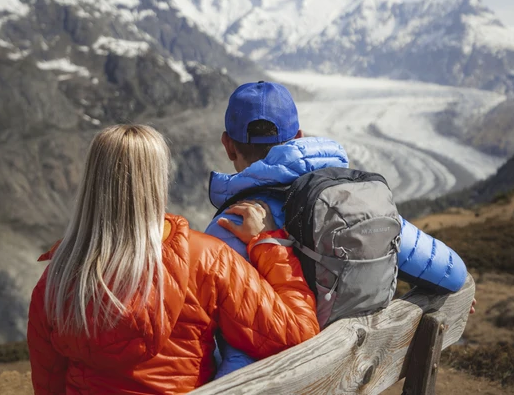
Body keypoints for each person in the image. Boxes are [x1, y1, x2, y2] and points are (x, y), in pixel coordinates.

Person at [206, 81, 477, 378]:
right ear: (298, 137)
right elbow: (451, 273)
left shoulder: (227, 228)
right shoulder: (351, 203)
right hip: (352, 375)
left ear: (228, 145)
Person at [27, 124, 320, 395]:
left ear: (91, 183)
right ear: (159, 180)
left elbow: (49, 384)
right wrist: (269, 243)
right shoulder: (207, 258)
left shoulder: (56, 280)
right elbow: (297, 334)